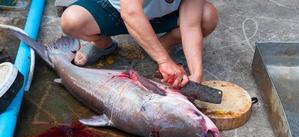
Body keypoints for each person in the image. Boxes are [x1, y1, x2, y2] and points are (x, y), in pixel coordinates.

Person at [60, 0, 218, 88]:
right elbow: (130, 12)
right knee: (71, 21)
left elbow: (191, 25)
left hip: (160, 17)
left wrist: (196, 74)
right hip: (115, 10)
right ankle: (103, 43)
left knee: (207, 17)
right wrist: (164, 61)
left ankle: (162, 44)